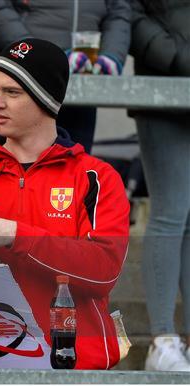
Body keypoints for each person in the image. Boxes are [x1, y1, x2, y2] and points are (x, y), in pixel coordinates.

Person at [0, 38, 130, 369]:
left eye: (13, 93)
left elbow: (104, 271)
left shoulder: (95, 178)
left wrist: (17, 235)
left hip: (73, 366)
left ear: (45, 100)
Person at [0, 0, 131, 159]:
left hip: (80, 78)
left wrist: (111, 55)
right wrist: (40, 58)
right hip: (20, 75)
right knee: (1, 172)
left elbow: (119, 10)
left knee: (72, 175)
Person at [130, 0, 190, 372]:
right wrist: (181, 58)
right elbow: (129, 13)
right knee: (170, 212)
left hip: (173, 79)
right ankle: (162, 341)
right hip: (164, 89)